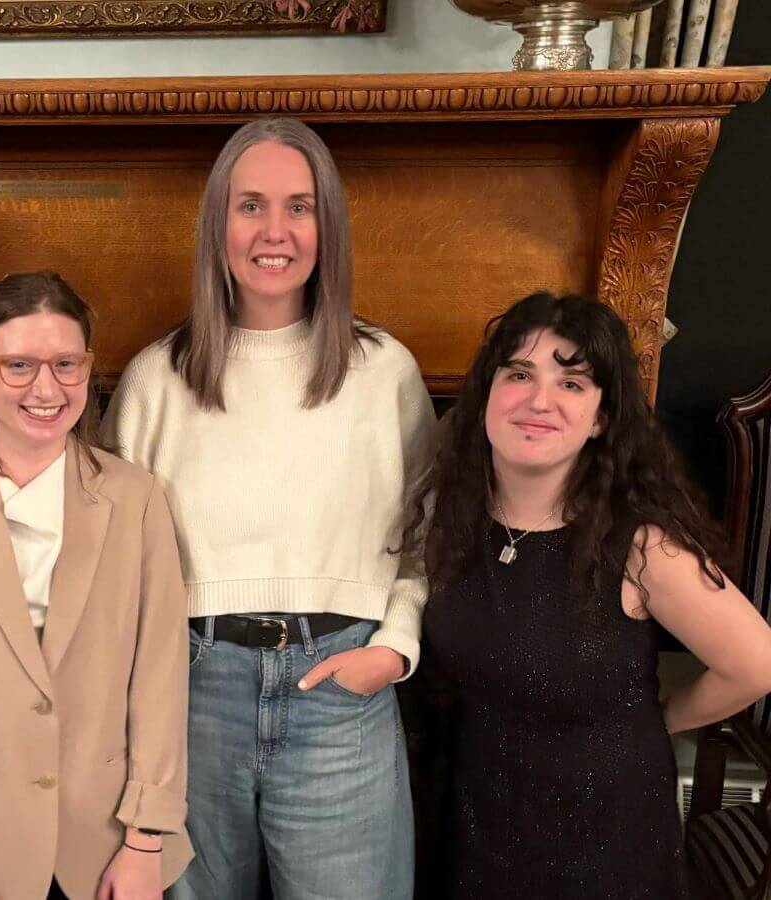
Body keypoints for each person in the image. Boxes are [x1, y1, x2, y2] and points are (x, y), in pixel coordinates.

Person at [105, 116, 434, 899]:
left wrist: (395, 646)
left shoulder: (383, 371)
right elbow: (117, 562)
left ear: (329, 227)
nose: (275, 230)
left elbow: (430, 532)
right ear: (218, 223)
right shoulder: (157, 379)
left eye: (301, 206)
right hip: (190, 693)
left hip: (341, 687)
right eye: (250, 205)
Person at [407, 292, 771, 898]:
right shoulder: (450, 518)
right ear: (486, 398)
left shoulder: (642, 545)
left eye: (572, 383)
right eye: (519, 374)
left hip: (607, 843)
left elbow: (756, 663)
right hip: (477, 823)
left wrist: (660, 720)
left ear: (602, 416)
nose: (538, 400)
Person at [0, 271, 193, 900]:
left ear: (88, 368)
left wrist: (144, 839)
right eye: (18, 364)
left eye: (65, 364)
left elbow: (160, 674)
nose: (46, 388)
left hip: (107, 843)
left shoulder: (136, 499)